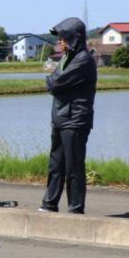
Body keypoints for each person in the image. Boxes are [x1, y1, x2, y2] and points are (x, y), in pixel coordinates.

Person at [39, 17, 97, 214]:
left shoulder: (83, 60)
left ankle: (75, 209)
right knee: (56, 165)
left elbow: (54, 83)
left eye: (63, 38)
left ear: (74, 38)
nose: (60, 42)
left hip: (75, 119)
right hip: (60, 117)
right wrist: (52, 81)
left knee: (74, 166)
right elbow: (54, 83)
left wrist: (52, 80)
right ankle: (49, 204)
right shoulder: (66, 58)